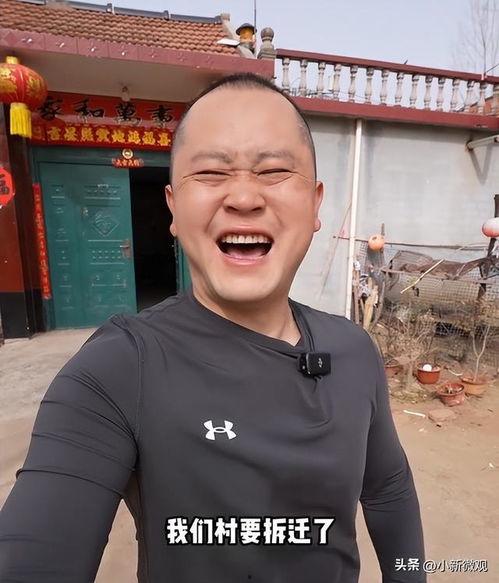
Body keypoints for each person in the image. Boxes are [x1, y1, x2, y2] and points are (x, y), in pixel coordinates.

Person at [0, 73, 426, 582]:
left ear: (315, 204)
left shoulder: (353, 349)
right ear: (173, 208)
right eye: (210, 173)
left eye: (273, 170)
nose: (243, 198)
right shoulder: (120, 366)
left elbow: (389, 490)